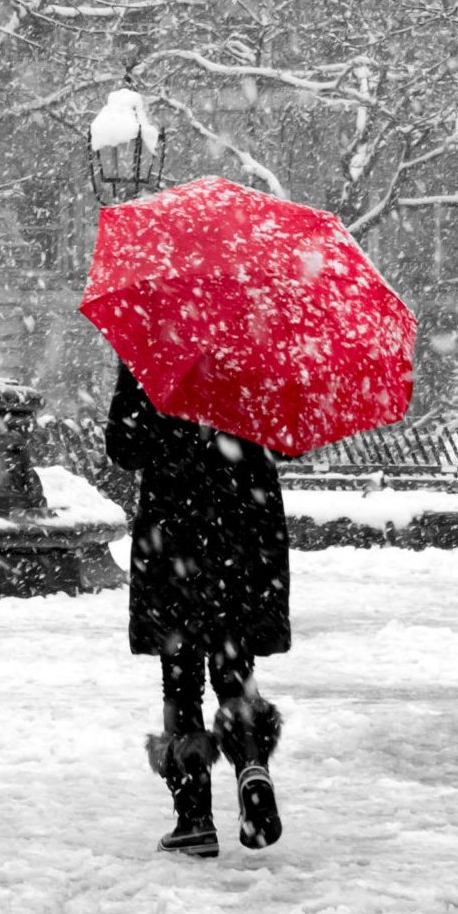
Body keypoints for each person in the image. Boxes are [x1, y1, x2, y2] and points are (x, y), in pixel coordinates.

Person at [104, 360, 289, 858]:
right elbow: (287, 438)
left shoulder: (155, 348)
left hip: (176, 531)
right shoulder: (254, 343)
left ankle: (194, 819)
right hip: (243, 530)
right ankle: (251, 767)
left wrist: (165, 419)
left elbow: (125, 449)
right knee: (234, 663)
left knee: (180, 675)